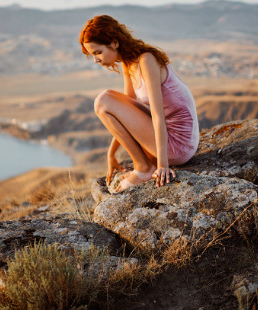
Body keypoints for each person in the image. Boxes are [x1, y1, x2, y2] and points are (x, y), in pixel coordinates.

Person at [79, 15, 200, 192]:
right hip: (167, 137)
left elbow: (157, 115)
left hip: (178, 145)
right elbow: (125, 115)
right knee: (106, 99)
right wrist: (111, 154)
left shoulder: (146, 60)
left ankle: (144, 169)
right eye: (92, 55)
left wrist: (162, 166)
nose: (96, 60)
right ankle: (143, 165)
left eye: (98, 52)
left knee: (104, 99)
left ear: (114, 43)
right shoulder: (129, 63)